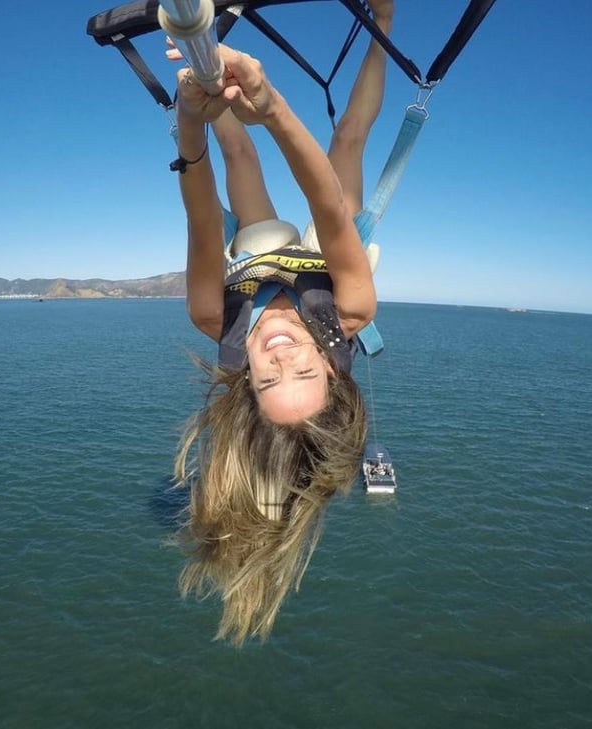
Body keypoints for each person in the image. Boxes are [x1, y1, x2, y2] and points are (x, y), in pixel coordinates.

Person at [170, 0, 394, 645]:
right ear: (330, 361)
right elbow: (327, 204)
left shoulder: (217, 317)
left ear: (249, 385)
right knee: (348, 139)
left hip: (257, 256)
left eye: (268, 381)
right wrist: (272, 106)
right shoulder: (351, 312)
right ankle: (384, 19)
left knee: (235, 150)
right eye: (301, 369)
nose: (277, 352)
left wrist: (190, 129)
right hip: (325, 259)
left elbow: (203, 220)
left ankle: (213, 54)